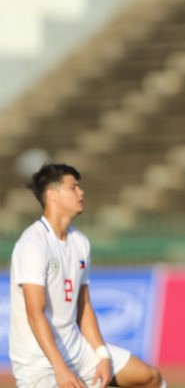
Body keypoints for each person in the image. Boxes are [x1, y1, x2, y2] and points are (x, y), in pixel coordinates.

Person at [9, 163, 165, 388]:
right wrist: (60, 368)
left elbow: (84, 305)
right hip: (39, 361)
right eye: (73, 187)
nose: (81, 193)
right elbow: (35, 314)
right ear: (52, 195)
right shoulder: (33, 244)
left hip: (77, 350)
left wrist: (101, 355)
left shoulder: (79, 242)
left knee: (149, 377)